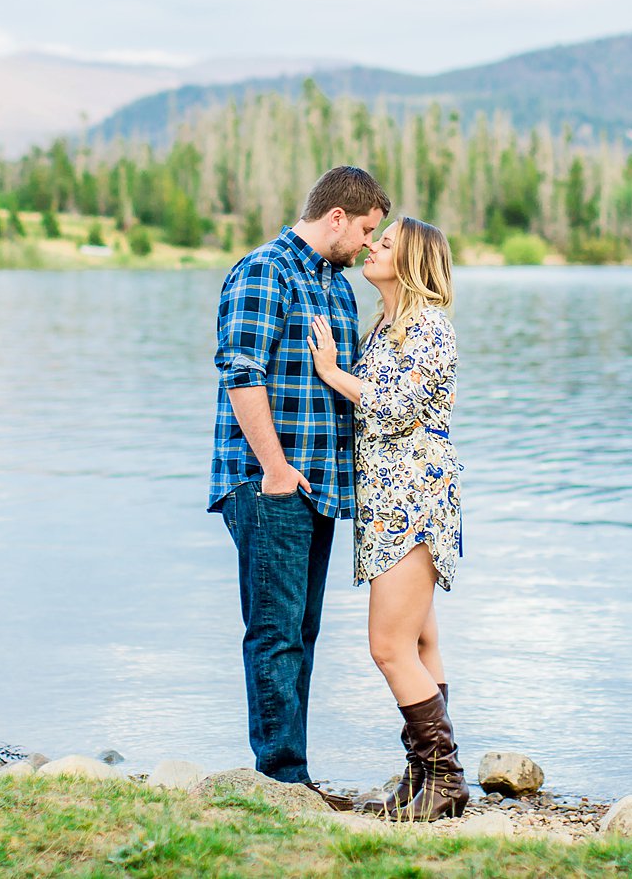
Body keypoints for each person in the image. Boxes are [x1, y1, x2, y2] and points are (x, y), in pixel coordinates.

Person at [209, 165, 391, 800]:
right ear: (335, 217)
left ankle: (292, 777)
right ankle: (282, 780)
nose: (370, 243)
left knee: (302, 632)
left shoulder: (336, 290)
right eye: (367, 230)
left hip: (319, 492)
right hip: (271, 487)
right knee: (276, 632)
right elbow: (241, 373)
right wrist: (277, 469)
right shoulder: (265, 271)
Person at [306, 214, 466, 822]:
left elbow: (396, 410)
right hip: (389, 503)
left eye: (387, 242)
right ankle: (423, 776)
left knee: (387, 645)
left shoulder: (429, 328)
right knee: (420, 641)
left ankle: (445, 777)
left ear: (413, 262)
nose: (372, 246)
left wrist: (329, 373)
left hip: (414, 504)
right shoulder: (386, 328)